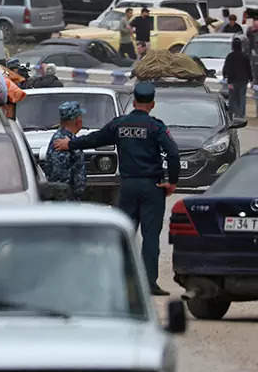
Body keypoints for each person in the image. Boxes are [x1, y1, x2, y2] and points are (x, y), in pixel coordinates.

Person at [53, 82, 178, 295]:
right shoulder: (156, 127)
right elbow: (173, 153)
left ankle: (121, 280)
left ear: (134, 102)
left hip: (128, 186)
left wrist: (69, 144)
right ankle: (148, 283)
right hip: (152, 187)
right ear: (153, 104)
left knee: (123, 234)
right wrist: (172, 182)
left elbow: (96, 138)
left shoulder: (119, 124)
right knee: (150, 237)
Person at [43, 101, 87, 201]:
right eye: (80, 116)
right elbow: (59, 177)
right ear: (77, 120)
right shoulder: (61, 142)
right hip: (65, 201)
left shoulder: (69, 139)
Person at [222, 37, 253, 119]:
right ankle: (241, 114)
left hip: (232, 80)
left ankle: (233, 113)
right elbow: (248, 68)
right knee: (242, 97)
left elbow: (226, 67)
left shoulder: (230, 56)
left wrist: (225, 75)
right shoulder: (244, 56)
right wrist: (251, 78)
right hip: (243, 80)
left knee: (233, 97)